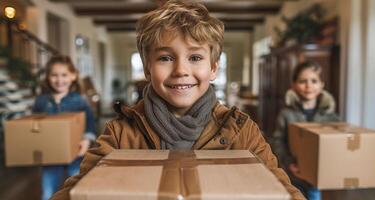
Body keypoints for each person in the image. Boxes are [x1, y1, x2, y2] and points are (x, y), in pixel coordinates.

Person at [51, 1, 304, 199]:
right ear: (148, 68)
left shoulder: (242, 131)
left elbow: (281, 188)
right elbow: (79, 188)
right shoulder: (120, 133)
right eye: (165, 58)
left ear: (214, 68)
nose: (181, 70)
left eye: (195, 58)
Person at [270, 61, 340, 200]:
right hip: (293, 173)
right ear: (294, 85)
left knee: (314, 195)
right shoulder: (286, 114)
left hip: (318, 176)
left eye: (314, 81)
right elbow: (278, 141)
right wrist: (289, 163)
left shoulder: (331, 116)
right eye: (303, 81)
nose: (308, 86)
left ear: (321, 85)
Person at [32, 55, 97, 200]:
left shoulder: (80, 100)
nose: (59, 80)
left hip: (75, 153)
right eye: (54, 75)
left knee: (76, 189)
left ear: (73, 76)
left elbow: (90, 122)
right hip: (49, 155)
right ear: (48, 77)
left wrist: (86, 140)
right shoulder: (41, 101)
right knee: (48, 191)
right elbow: (33, 124)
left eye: (64, 75)